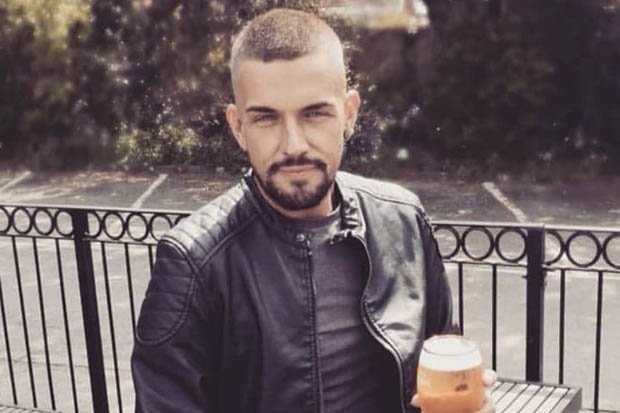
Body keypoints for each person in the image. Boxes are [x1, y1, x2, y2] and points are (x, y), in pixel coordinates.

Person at [131, 8, 495, 413]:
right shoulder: (193, 262)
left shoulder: (403, 221)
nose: (293, 145)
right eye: (266, 118)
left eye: (315, 113)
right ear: (238, 127)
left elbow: (440, 361)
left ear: (348, 114)